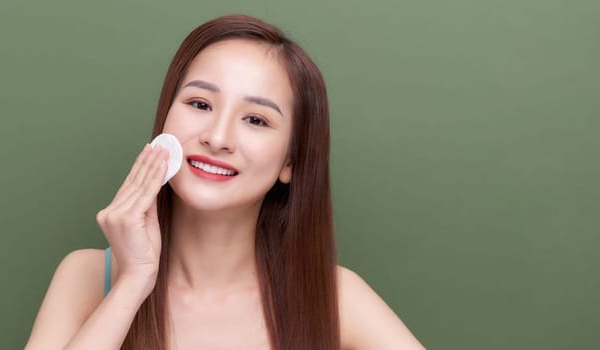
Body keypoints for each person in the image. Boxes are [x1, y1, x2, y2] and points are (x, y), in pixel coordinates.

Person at [25, 14, 424, 350]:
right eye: (200, 104)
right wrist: (133, 283)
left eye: (256, 119)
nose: (217, 138)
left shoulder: (335, 297)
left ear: (290, 162)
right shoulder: (87, 277)